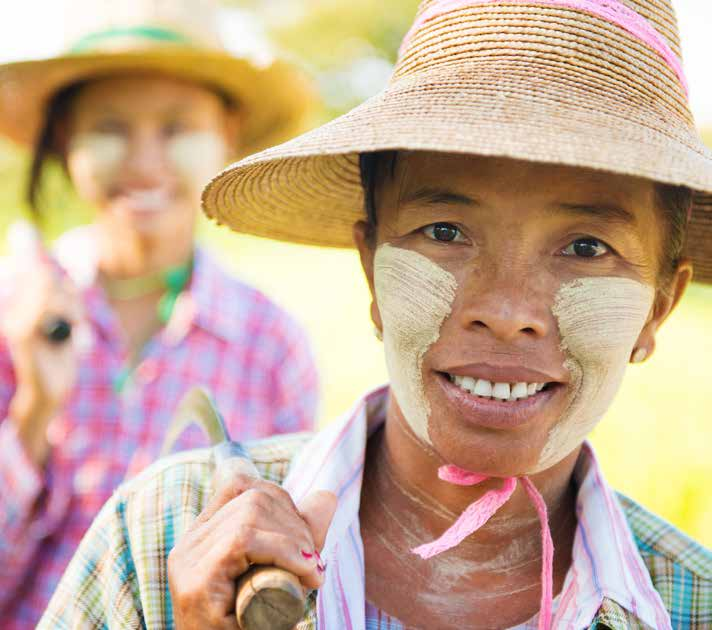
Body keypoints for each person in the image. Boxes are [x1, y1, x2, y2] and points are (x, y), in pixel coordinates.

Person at [41, 0, 712, 628]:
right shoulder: (161, 536)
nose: (506, 313)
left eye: (586, 247)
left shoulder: (691, 603)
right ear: (370, 267)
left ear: (658, 307)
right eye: (445, 231)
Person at [0, 1, 319, 627]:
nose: (145, 161)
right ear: (66, 137)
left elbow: (290, 568)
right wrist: (36, 407)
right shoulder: (15, 311)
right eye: (112, 128)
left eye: (176, 129)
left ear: (227, 133)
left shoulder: (269, 342)